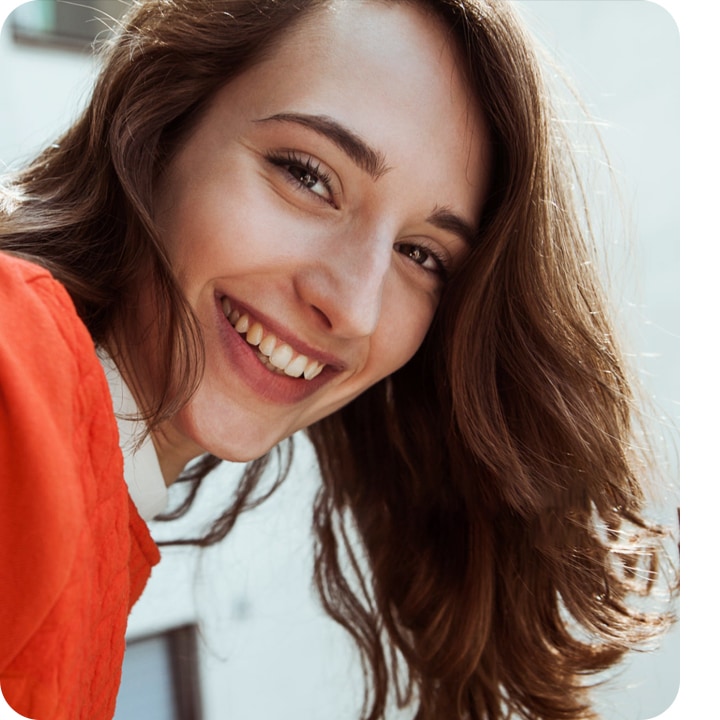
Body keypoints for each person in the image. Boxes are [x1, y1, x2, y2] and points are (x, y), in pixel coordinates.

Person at [0, 0, 676, 719]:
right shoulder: (23, 374)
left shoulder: (103, 496)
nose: (354, 307)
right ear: (160, 128)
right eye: (307, 175)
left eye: (421, 254)